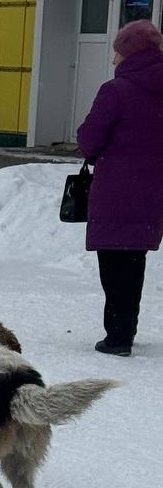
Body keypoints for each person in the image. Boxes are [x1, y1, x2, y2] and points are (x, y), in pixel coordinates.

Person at [76, 19, 163, 357]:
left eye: (117, 52)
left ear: (129, 53)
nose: (114, 59)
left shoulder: (116, 91)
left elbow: (89, 140)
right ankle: (126, 328)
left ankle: (117, 337)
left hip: (117, 189)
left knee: (113, 262)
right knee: (133, 259)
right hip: (153, 189)